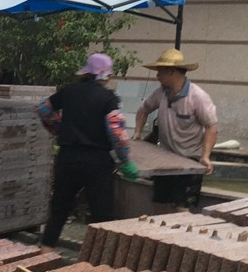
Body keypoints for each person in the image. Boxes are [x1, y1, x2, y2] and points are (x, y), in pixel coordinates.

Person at [38, 53, 138, 252]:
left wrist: (58, 129)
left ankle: (44, 256)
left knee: (59, 210)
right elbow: (116, 132)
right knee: (102, 215)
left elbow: (43, 109)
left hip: (68, 157)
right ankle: (100, 260)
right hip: (97, 162)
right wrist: (125, 160)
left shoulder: (68, 91)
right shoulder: (108, 98)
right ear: (105, 75)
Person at [132, 48, 217, 213]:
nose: (157, 76)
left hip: (190, 160)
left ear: (172, 72)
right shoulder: (160, 93)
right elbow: (143, 110)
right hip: (166, 159)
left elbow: (211, 126)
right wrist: (137, 132)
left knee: (182, 208)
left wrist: (205, 156)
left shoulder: (198, 96)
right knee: (159, 203)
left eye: (160, 71)